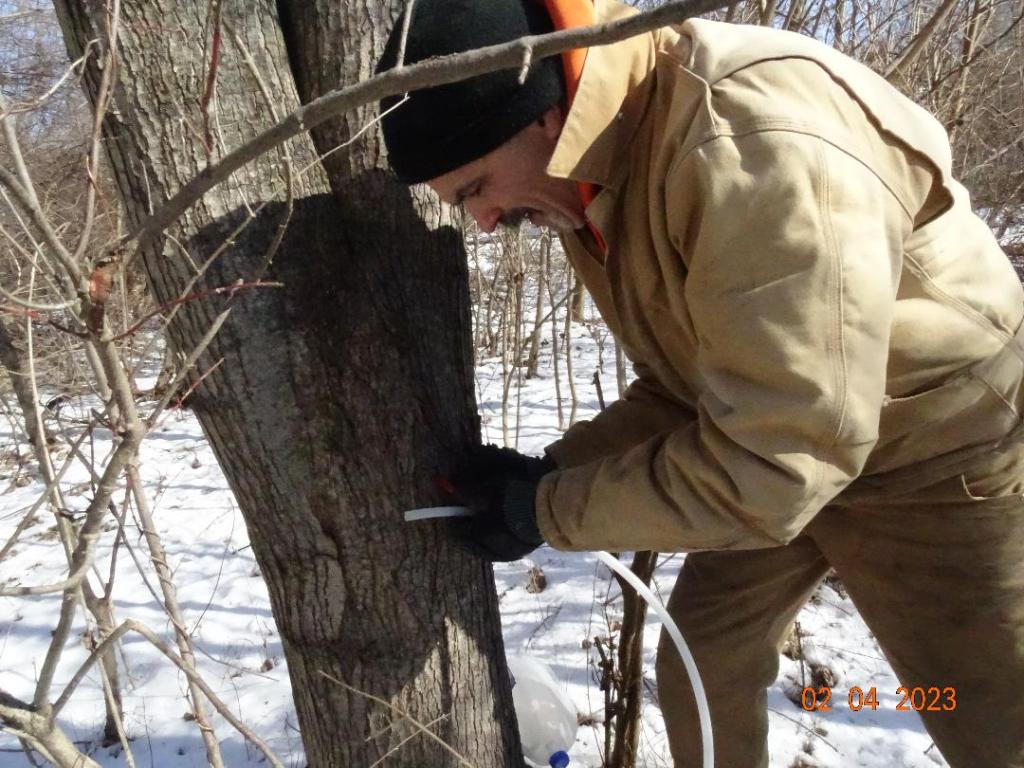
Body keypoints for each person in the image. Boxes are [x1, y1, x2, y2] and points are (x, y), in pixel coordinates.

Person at [376, 1, 1024, 765]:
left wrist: (546, 510)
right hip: (792, 440)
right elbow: (694, 382)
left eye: (474, 188)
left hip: (937, 447)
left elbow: (779, 460)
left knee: (990, 718)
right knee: (704, 667)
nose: (483, 221)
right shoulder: (595, 169)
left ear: (542, 116)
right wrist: (549, 474)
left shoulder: (747, 144)